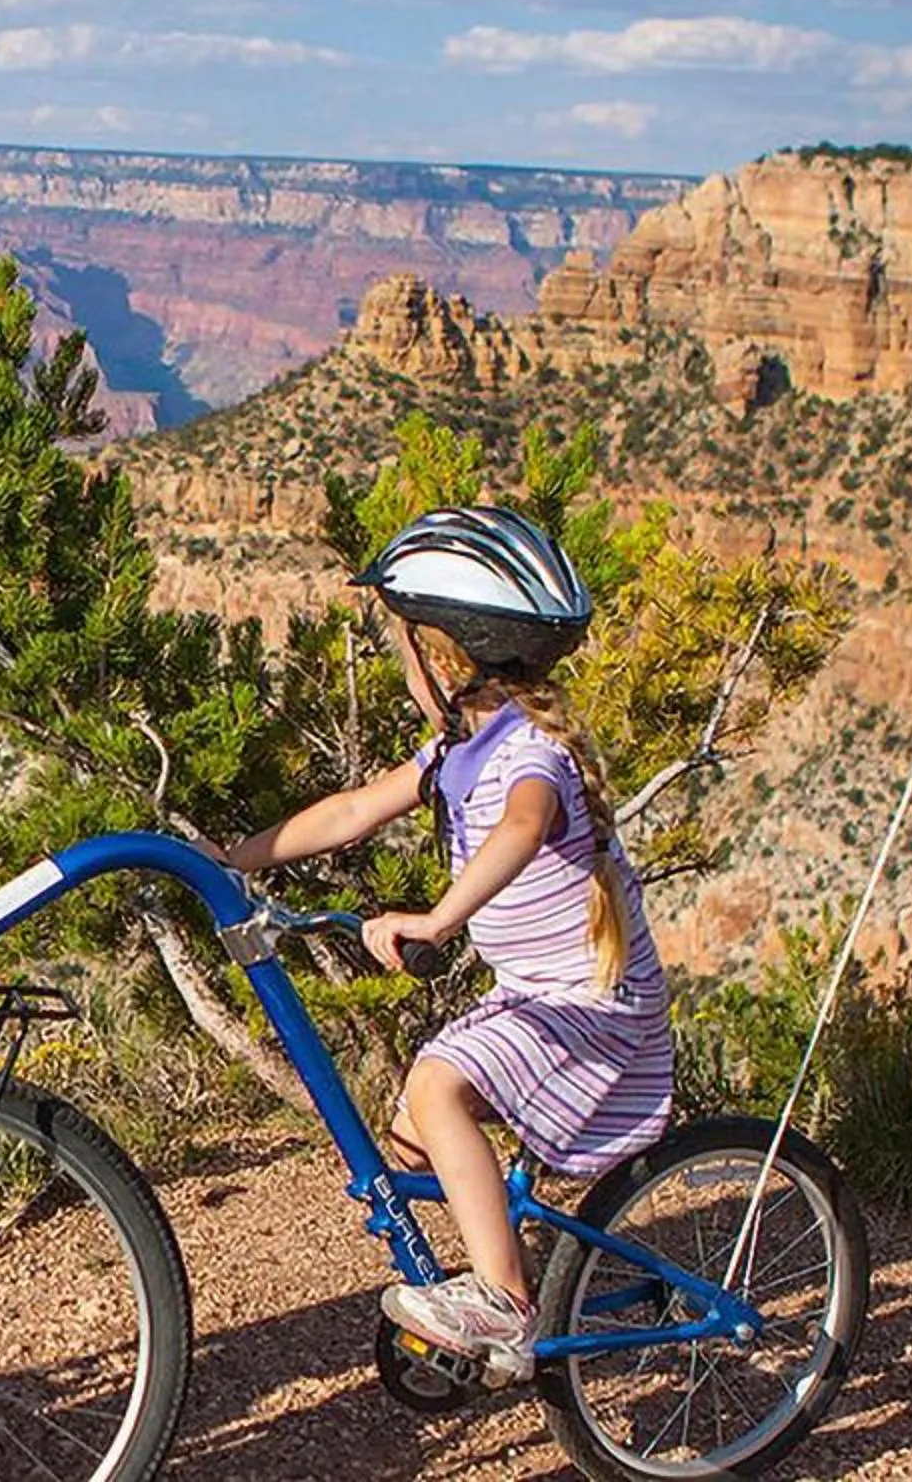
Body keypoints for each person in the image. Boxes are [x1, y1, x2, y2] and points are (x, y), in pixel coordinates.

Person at [223, 506, 673, 1382]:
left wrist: (437, 920)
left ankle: (504, 1303)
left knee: (436, 1088)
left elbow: (521, 826)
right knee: (410, 1133)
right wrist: (225, 861)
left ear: (446, 657)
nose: (403, 668)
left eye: (406, 649)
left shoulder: (532, 755)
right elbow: (352, 811)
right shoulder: (454, 748)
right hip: (537, 995)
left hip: (589, 1006)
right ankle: (520, 1271)